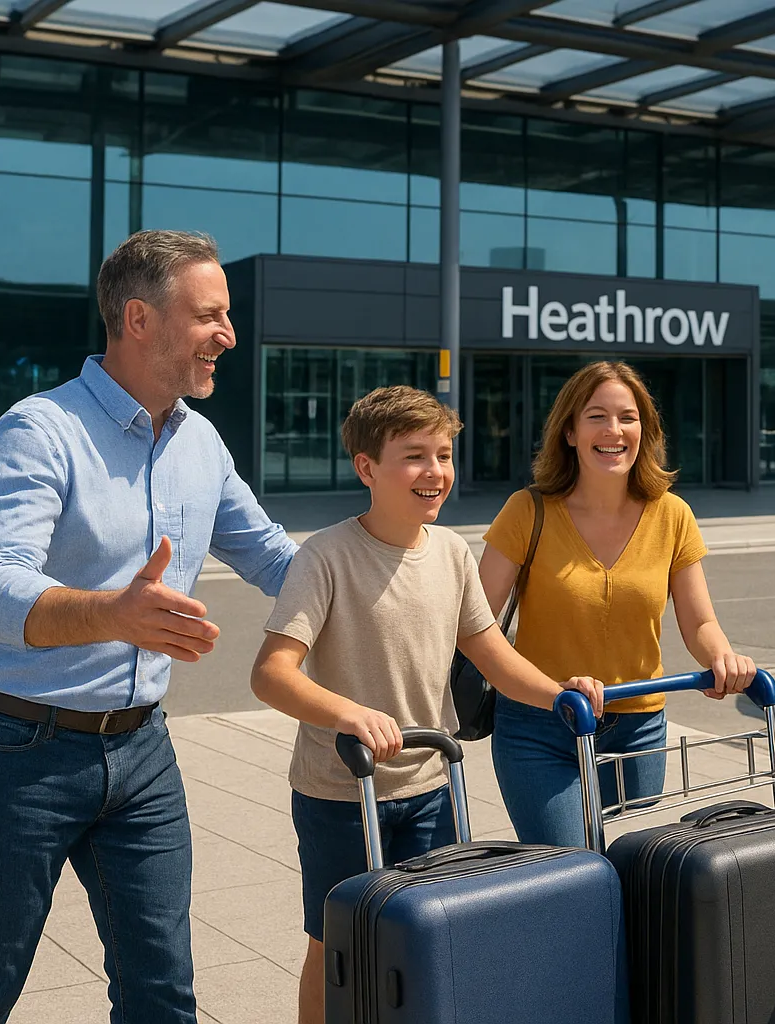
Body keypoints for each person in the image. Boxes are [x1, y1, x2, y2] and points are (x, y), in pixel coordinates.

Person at [0, 230, 298, 1023]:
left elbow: (273, 558)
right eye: (210, 316)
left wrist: (398, 580)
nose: (229, 335)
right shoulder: (41, 429)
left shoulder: (200, 442)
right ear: (138, 319)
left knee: (162, 985)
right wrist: (111, 612)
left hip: (140, 750)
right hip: (11, 747)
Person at [249, 385, 605, 1024]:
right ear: (367, 468)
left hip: (430, 784)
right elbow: (272, 675)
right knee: (335, 941)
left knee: (424, 937)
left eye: (444, 455)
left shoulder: (451, 553)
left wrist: (558, 694)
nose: (435, 472)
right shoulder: (326, 556)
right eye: (415, 456)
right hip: (341, 792)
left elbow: (491, 651)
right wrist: (347, 714)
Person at [479, 360, 757, 847]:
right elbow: (476, 627)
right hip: (539, 726)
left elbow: (700, 621)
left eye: (628, 417)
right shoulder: (528, 511)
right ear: (569, 432)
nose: (614, 431)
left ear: (645, 431)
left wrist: (721, 656)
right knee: (571, 874)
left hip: (637, 728)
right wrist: (554, 691)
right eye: (596, 417)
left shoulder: (673, 515)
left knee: (635, 878)